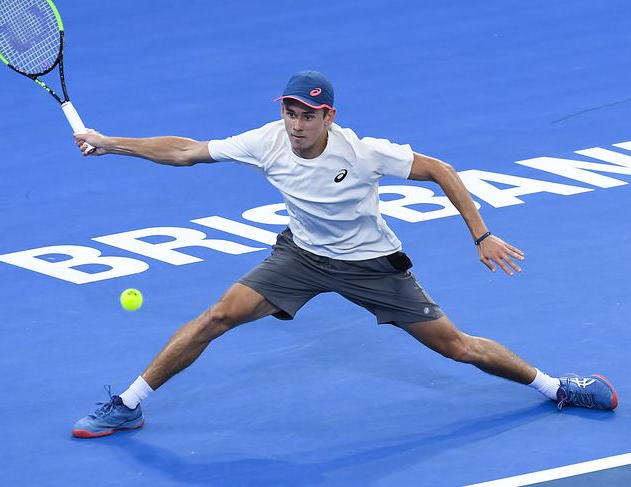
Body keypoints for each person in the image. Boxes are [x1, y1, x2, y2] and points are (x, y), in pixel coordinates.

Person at [71, 71, 617, 438]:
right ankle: (128, 403)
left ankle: (556, 387)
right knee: (218, 316)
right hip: (301, 257)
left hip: (372, 266)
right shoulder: (266, 140)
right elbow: (188, 151)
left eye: (308, 116)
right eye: (290, 113)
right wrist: (112, 142)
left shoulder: (363, 152)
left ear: (328, 117)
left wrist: (481, 234)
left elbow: (442, 171)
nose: (296, 125)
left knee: (457, 347)